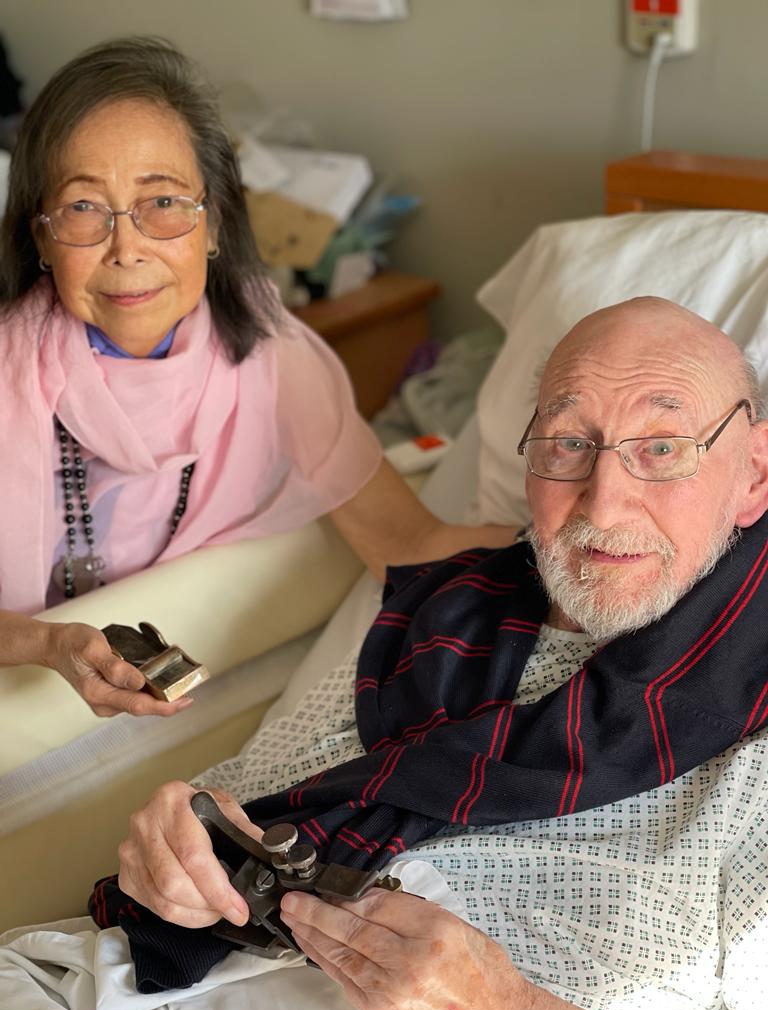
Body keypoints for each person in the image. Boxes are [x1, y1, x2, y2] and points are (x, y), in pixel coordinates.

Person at [88, 296, 768, 1010]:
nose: (603, 507)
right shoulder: (444, 615)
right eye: (568, 443)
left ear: (756, 475)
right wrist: (174, 843)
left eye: (661, 448)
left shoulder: (748, 736)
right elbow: (249, 805)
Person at [0, 36, 516, 720]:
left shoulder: (274, 356)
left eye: (162, 203)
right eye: (84, 209)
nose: (127, 250)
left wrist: (572, 548)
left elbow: (409, 545)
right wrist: (48, 643)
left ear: (213, 223)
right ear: (40, 237)